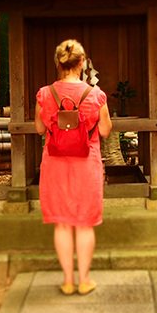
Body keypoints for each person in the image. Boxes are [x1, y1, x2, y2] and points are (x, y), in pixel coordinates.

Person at [34, 39, 113, 296]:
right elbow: (104, 130)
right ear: (82, 63)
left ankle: (67, 280)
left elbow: (39, 129)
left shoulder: (44, 94)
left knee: (62, 223)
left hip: (55, 164)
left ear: (58, 63)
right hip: (85, 164)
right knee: (84, 223)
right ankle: (85, 280)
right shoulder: (96, 95)